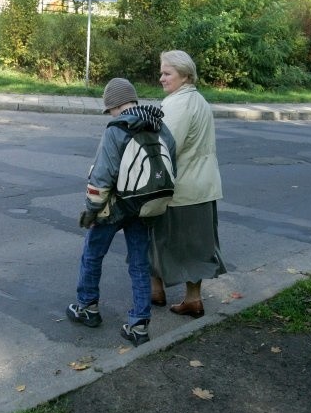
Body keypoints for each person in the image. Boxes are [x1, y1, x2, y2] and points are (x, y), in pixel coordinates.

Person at [67, 77, 176, 346]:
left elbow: (102, 176)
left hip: (114, 208)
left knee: (92, 253)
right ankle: (139, 324)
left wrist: (91, 211)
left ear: (115, 106)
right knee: (139, 262)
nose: (111, 113)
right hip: (145, 207)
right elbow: (173, 163)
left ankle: (87, 307)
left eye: (110, 109)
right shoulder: (159, 125)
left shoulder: (116, 129)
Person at [149, 50, 226, 318]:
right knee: (197, 245)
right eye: (161, 72)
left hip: (181, 188)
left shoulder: (176, 105)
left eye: (167, 73)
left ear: (184, 75)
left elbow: (166, 147)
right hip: (202, 186)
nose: (161, 78)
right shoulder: (199, 101)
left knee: (157, 238)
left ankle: (158, 291)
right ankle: (189, 298)